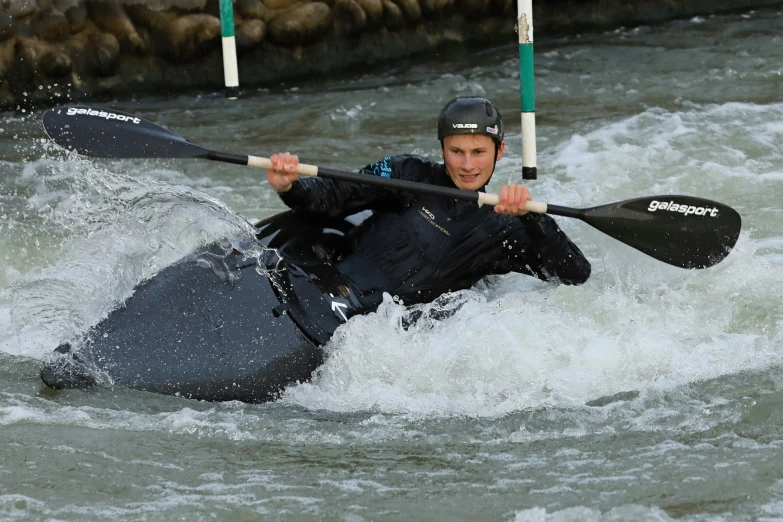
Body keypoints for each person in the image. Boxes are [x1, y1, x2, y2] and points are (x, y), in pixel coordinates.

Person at [266, 96, 590, 316]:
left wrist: (533, 218)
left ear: (500, 150)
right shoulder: (406, 173)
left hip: (387, 331)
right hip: (327, 284)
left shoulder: (504, 225)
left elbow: (575, 274)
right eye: (456, 151)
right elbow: (330, 198)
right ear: (442, 148)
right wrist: (291, 186)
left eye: (478, 152)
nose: (467, 165)